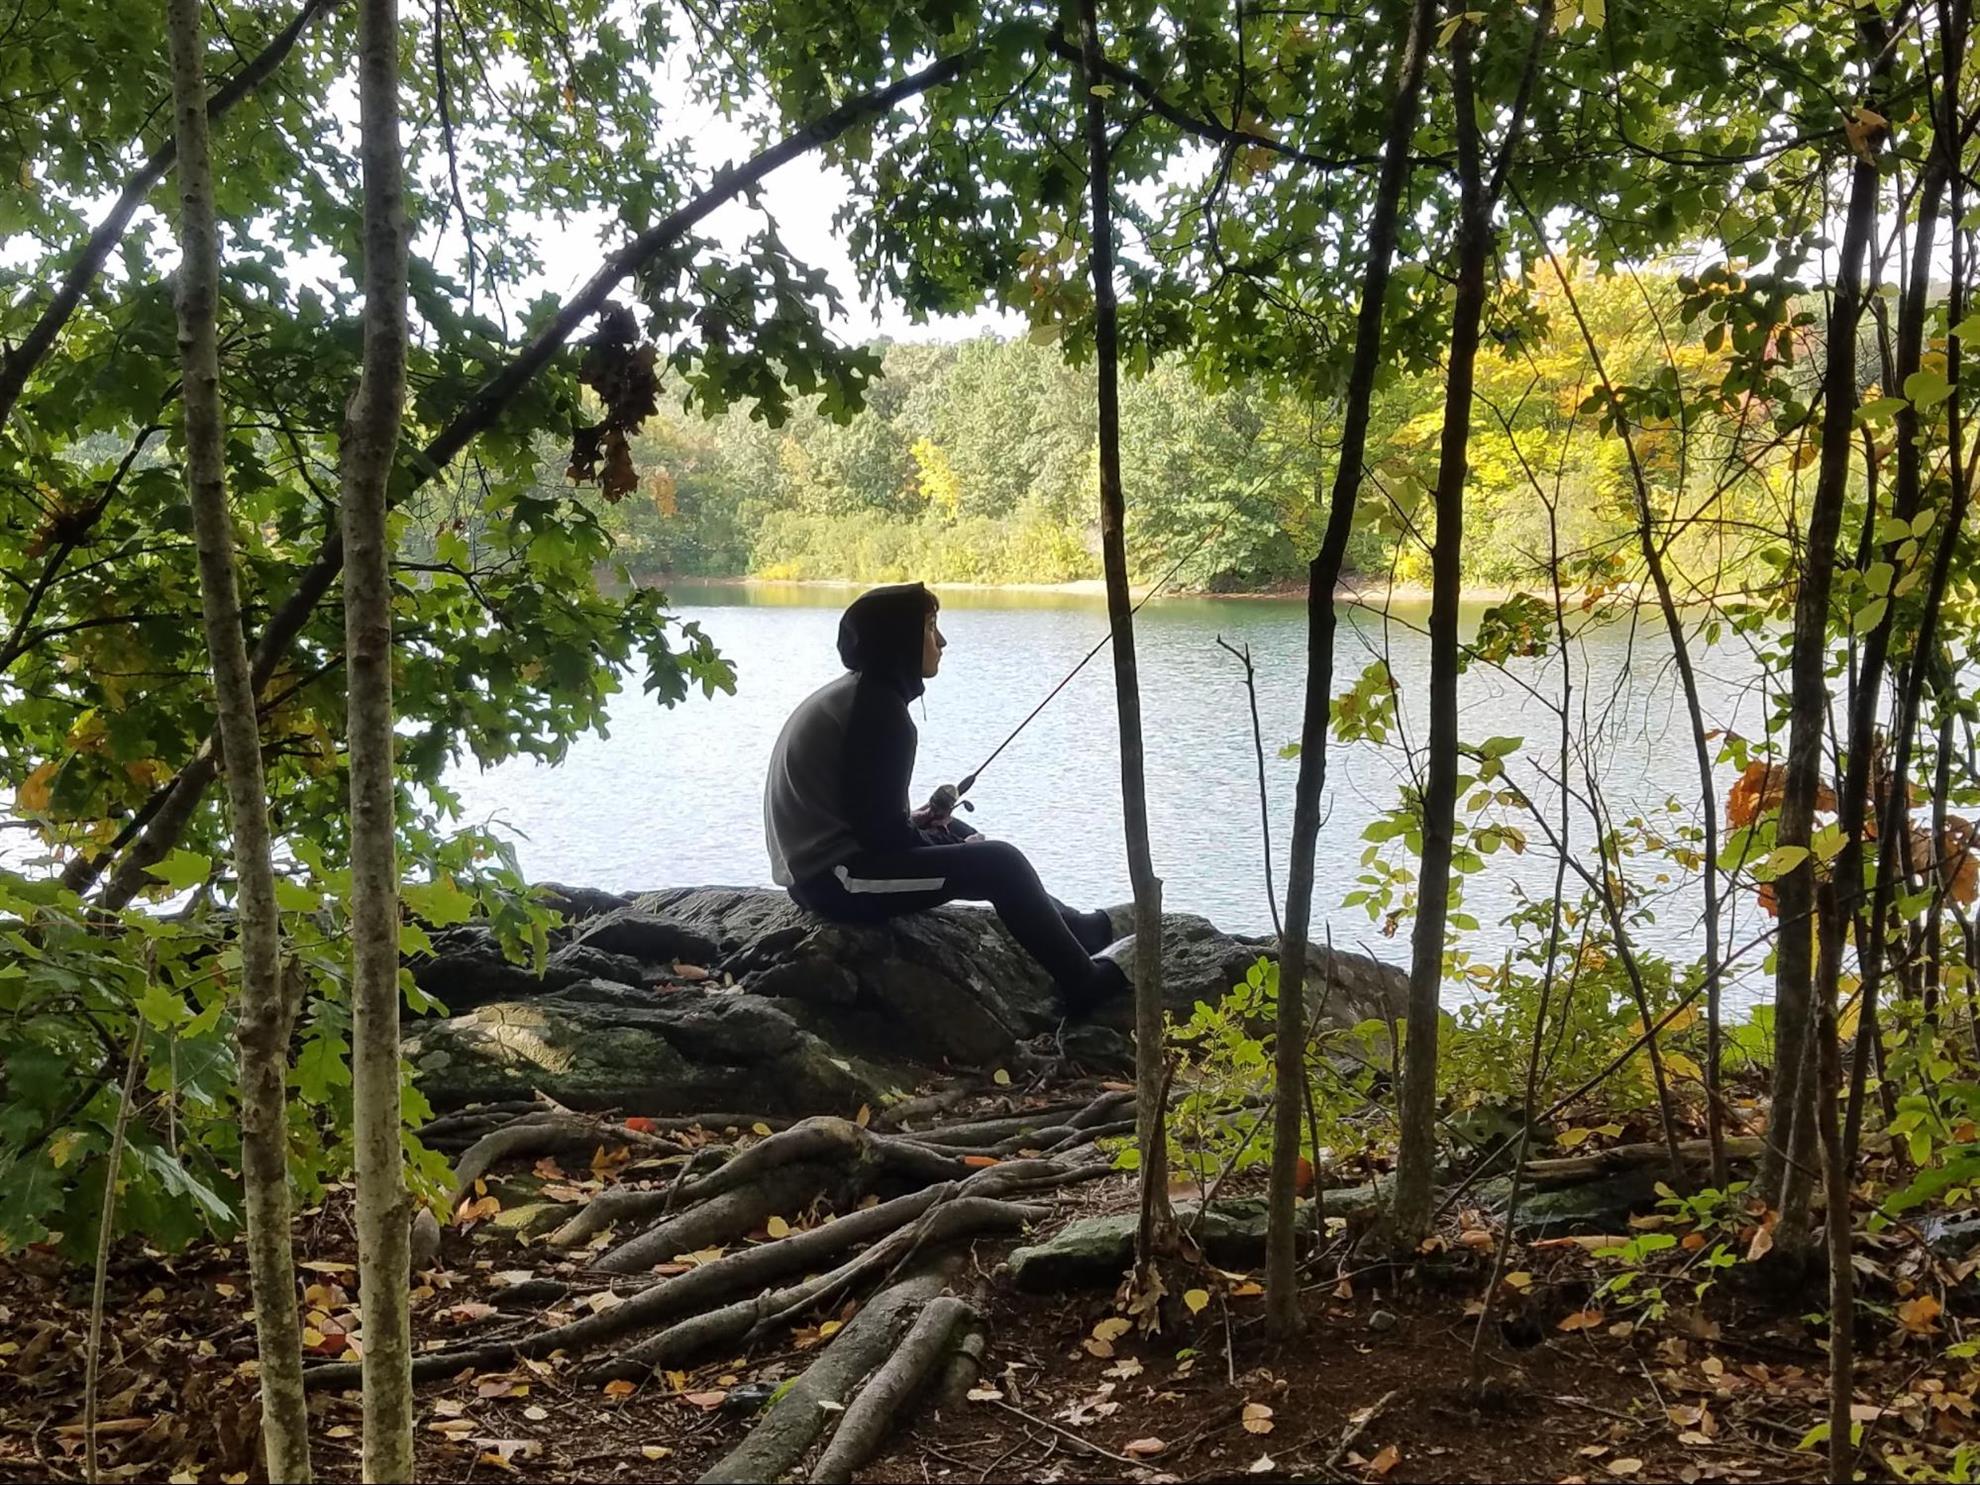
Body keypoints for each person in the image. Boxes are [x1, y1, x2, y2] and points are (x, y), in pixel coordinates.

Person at [764, 582, 1132, 1017]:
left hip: (832, 869)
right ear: (898, 638)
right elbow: (883, 839)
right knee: (999, 863)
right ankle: (1084, 983)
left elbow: (870, 818)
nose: (941, 641)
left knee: (957, 831)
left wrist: (933, 832)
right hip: (836, 882)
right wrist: (953, 852)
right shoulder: (879, 712)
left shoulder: (861, 695)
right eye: (930, 628)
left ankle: (1078, 931)